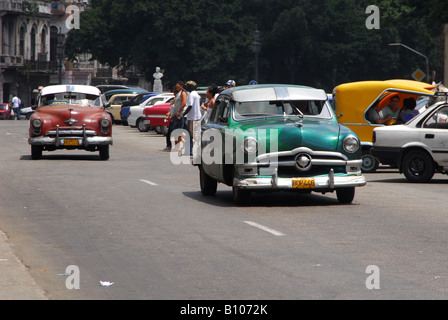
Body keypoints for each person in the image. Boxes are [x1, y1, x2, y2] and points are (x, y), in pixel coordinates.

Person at [171, 81, 188, 153]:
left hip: (180, 115)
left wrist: (178, 112)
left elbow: (184, 103)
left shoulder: (183, 92)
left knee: (179, 132)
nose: (177, 87)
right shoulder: (178, 93)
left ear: (181, 86)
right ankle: (177, 147)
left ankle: (179, 148)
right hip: (176, 115)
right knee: (175, 132)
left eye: (178, 86)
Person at [185, 81, 201, 157]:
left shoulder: (191, 94)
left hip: (192, 117)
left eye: (187, 86)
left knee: (192, 135)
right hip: (197, 117)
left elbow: (189, 106)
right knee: (195, 135)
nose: (186, 87)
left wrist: (183, 114)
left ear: (191, 87)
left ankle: (191, 151)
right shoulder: (196, 94)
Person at [162, 86, 179, 152]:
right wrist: (168, 114)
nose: (174, 93)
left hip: (175, 117)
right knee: (169, 133)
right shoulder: (175, 99)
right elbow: (171, 108)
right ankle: (169, 145)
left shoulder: (179, 99)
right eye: (174, 92)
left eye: (175, 92)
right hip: (172, 117)